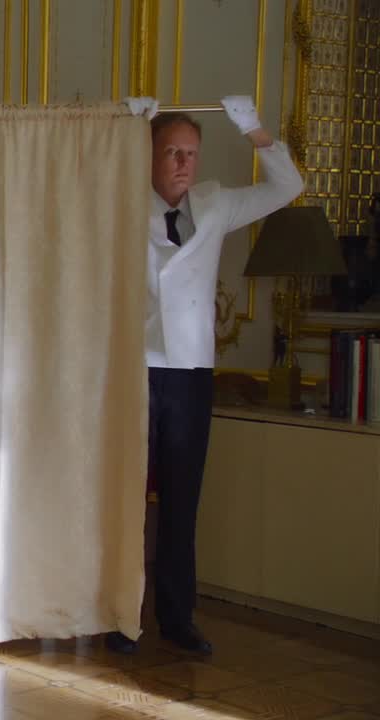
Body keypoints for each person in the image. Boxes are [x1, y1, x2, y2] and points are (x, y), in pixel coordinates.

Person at [110, 95, 304, 655]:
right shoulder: (119, 200)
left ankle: (177, 618)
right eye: (171, 151)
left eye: (190, 153)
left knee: (181, 498)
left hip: (191, 371)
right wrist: (122, 128)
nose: (182, 163)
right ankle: (119, 616)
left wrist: (255, 130)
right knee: (125, 500)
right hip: (136, 367)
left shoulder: (215, 203)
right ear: (150, 156)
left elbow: (288, 187)